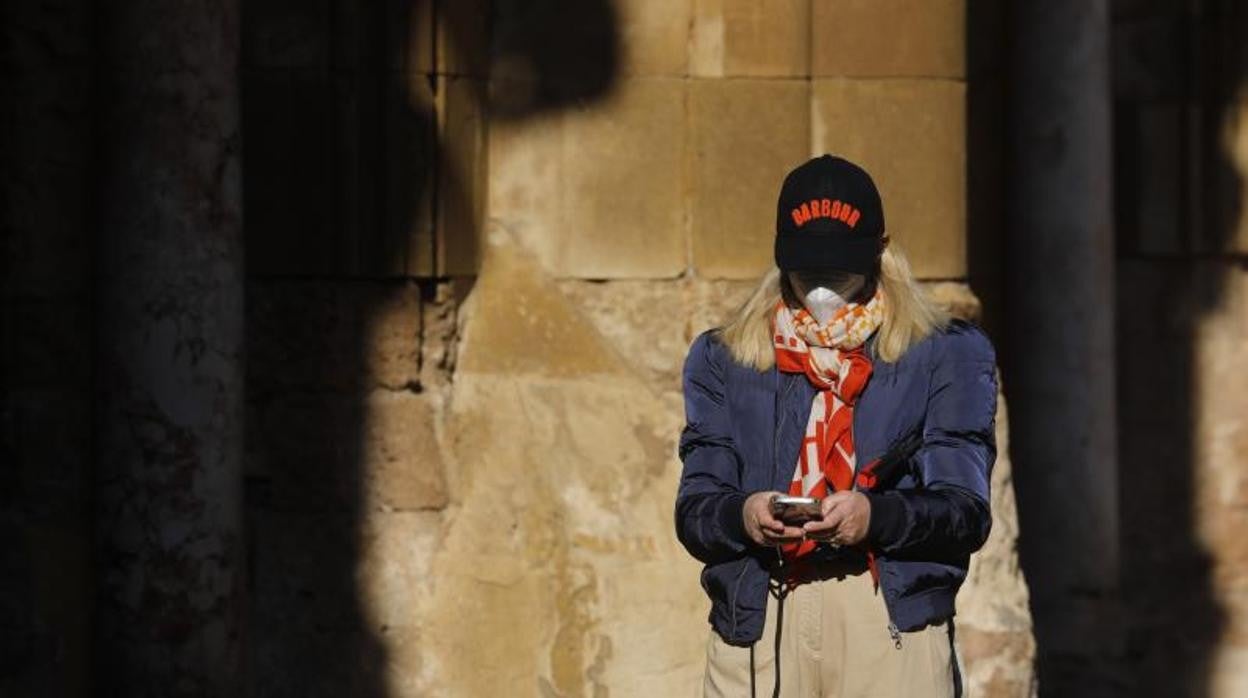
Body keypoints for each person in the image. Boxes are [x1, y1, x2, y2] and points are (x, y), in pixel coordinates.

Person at [675, 155, 997, 697]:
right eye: (807, 270)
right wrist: (745, 514)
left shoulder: (945, 354)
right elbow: (696, 509)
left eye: (839, 269)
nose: (822, 288)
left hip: (883, 617)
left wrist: (877, 515)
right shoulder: (723, 357)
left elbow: (964, 510)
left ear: (880, 251)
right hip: (761, 615)